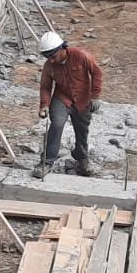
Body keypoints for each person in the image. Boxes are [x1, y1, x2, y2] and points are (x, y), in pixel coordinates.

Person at [33, 30, 102, 178]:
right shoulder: (49, 65)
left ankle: (82, 159)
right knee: (57, 124)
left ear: (62, 49)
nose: (51, 60)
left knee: (82, 130)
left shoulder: (81, 55)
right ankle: (47, 161)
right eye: (47, 57)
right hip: (62, 99)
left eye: (52, 56)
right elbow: (45, 86)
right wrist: (44, 105)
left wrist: (95, 96)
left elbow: (96, 73)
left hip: (83, 99)